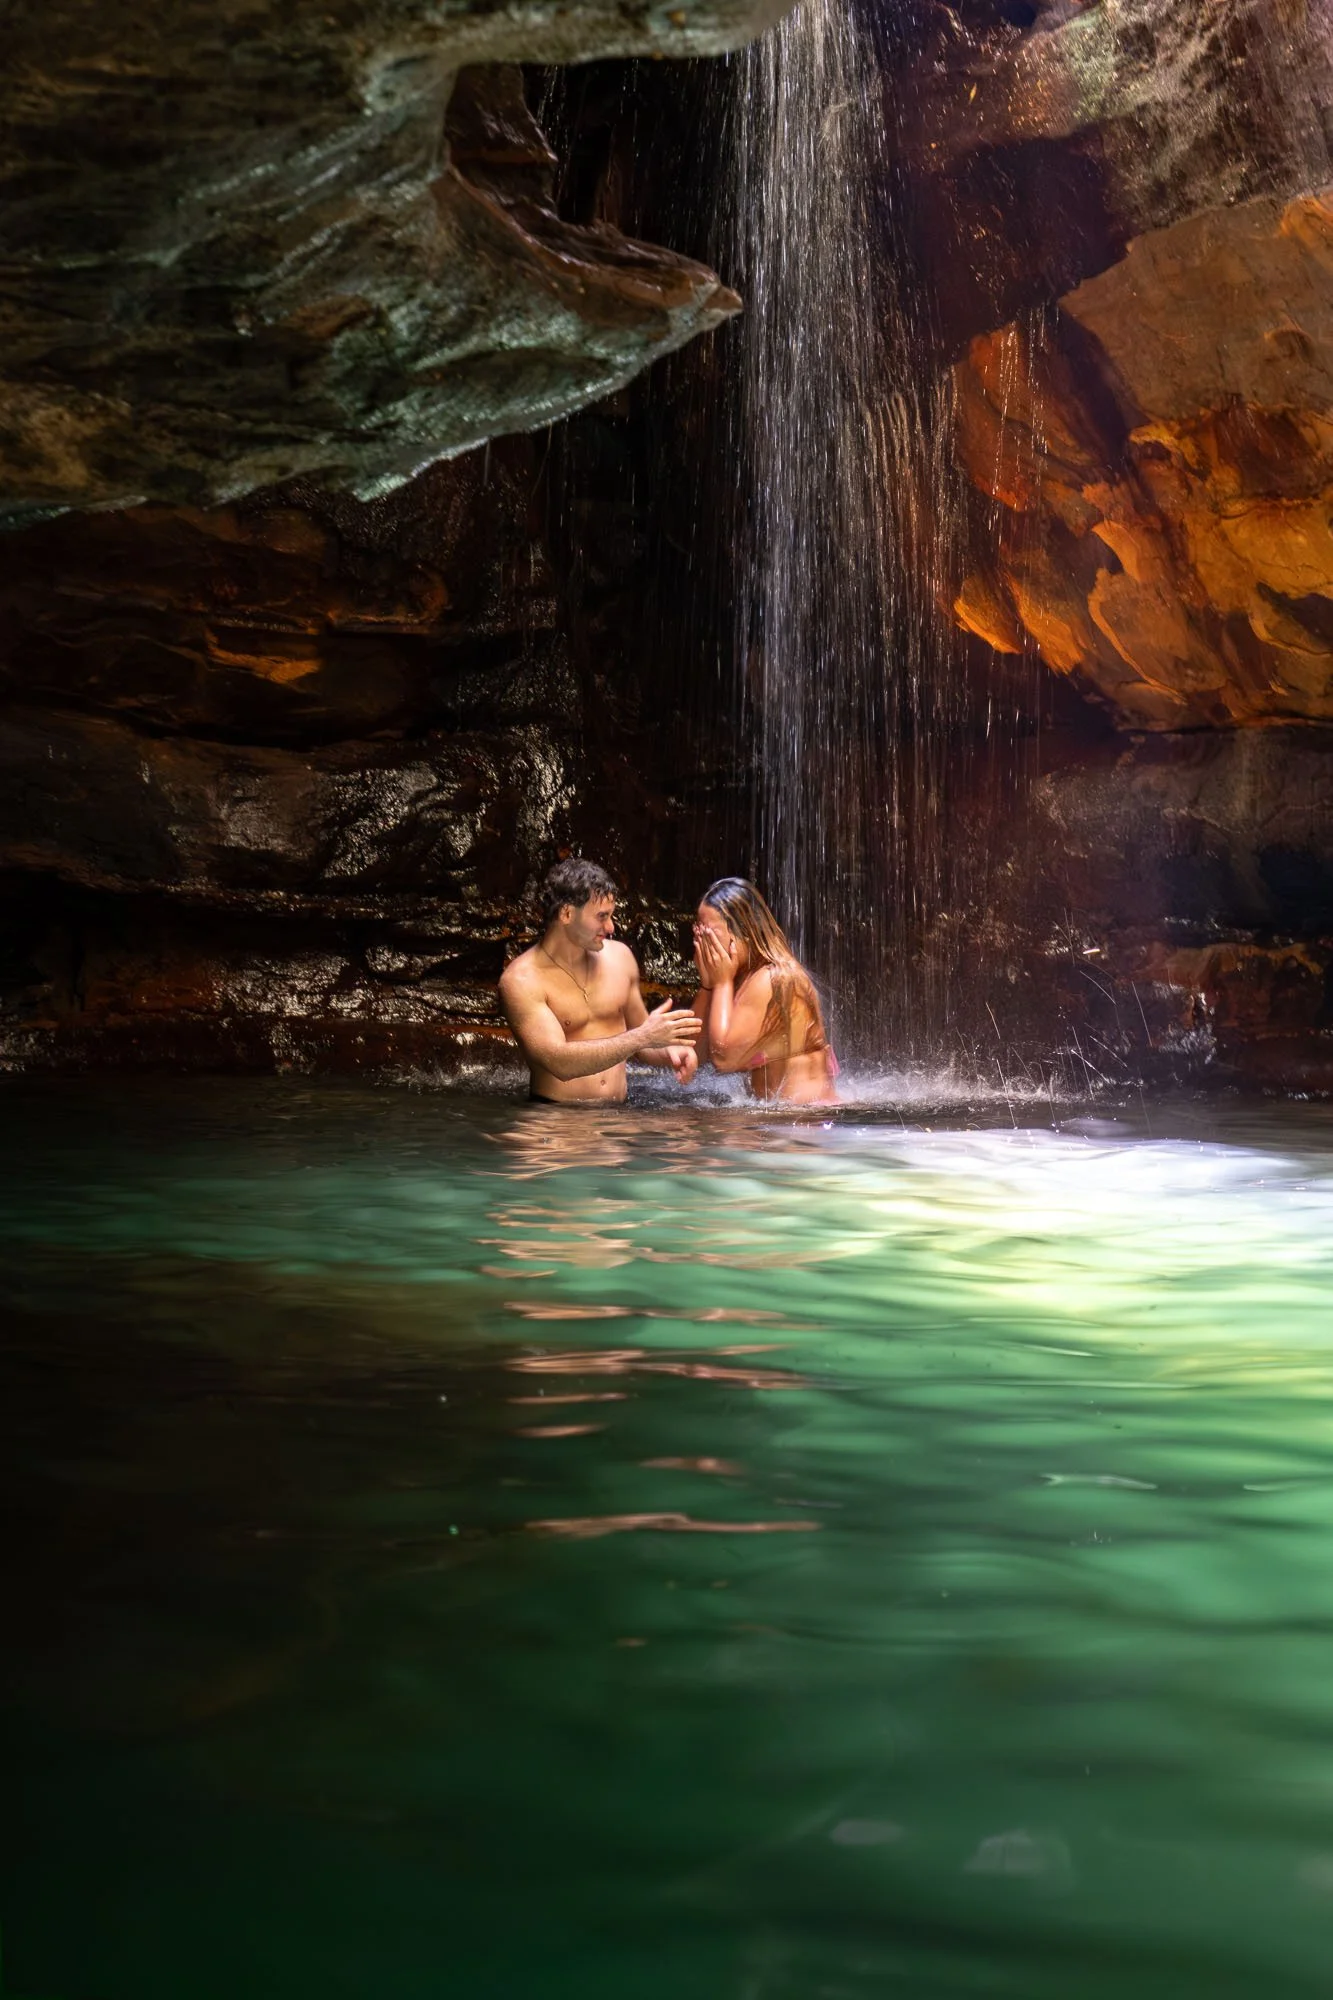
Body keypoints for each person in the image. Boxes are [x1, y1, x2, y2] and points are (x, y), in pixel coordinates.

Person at [500, 858, 702, 1104]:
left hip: (617, 1122)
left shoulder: (621, 958)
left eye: (611, 916)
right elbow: (559, 1062)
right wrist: (644, 1036)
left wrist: (668, 1051)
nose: (610, 927)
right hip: (555, 1123)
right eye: (602, 916)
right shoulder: (522, 980)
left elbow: (641, 1039)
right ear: (566, 913)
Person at [690, 877, 839, 1105]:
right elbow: (693, 1055)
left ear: (745, 932)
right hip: (779, 1123)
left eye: (710, 935)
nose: (702, 943)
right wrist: (708, 985)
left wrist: (721, 983)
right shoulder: (742, 976)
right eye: (698, 933)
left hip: (807, 1123)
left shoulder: (774, 978)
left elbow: (723, 1057)